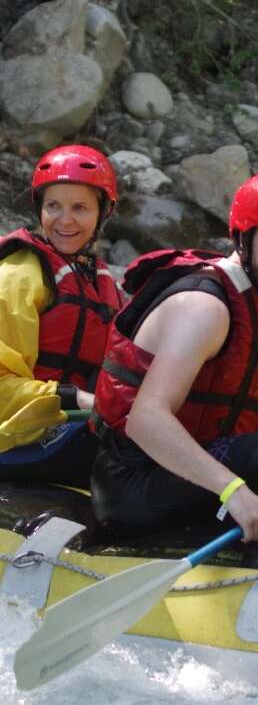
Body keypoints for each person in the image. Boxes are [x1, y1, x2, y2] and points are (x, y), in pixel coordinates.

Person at [89, 171, 258, 540]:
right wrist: (232, 490)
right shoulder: (205, 306)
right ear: (243, 238)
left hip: (198, 463)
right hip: (136, 481)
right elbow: (145, 420)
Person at [0, 144, 123, 486]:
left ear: (103, 212)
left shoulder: (100, 281)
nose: (65, 220)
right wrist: (73, 397)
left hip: (64, 430)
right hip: (15, 438)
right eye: (53, 206)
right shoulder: (19, 274)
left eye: (80, 208)